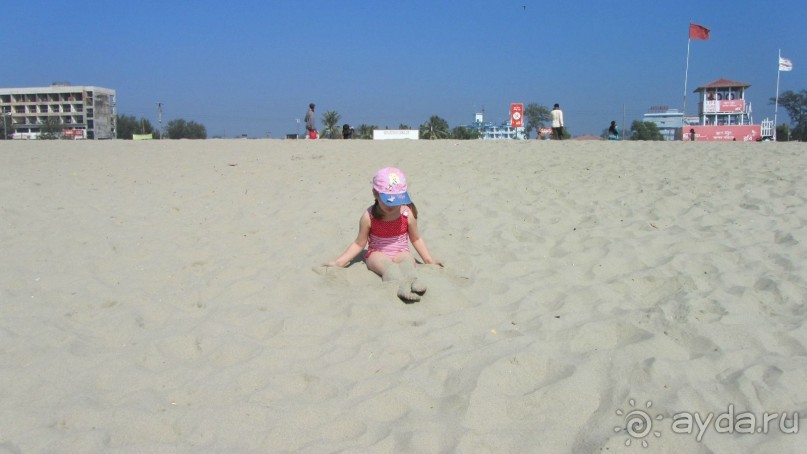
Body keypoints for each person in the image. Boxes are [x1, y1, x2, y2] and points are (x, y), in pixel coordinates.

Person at [324, 167, 442, 303]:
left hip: (401, 251)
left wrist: (429, 260)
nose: (392, 206)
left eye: (396, 201)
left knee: (408, 263)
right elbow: (359, 244)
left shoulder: (406, 214)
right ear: (375, 193)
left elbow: (416, 239)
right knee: (389, 268)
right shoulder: (369, 217)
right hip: (377, 253)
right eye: (388, 200)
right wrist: (339, 262)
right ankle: (401, 287)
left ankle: (413, 281)